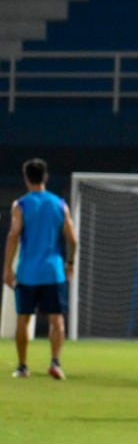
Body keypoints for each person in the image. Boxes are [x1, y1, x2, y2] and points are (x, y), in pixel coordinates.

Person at [4, 158, 77, 380]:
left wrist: (7, 268)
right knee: (56, 319)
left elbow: (14, 234)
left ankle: (23, 367)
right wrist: (70, 263)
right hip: (53, 271)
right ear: (45, 178)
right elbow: (72, 239)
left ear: (26, 178)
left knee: (23, 319)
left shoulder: (21, 205)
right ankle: (55, 362)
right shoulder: (59, 204)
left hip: (28, 271)